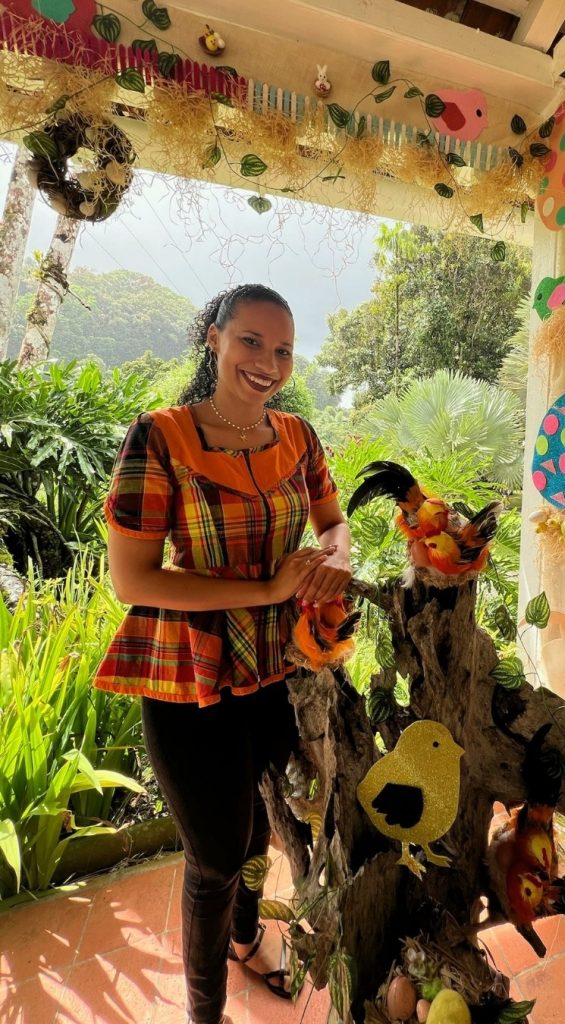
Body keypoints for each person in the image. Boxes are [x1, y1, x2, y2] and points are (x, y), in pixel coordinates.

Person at [93, 284, 352, 1024]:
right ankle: (204, 1012)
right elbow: (132, 580)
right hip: (191, 672)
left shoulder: (297, 437)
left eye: (283, 350)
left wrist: (334, 560)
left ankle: (244, 938)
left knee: (262, 820)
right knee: (213, 855)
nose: (268, 362)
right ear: (214, 339)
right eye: (251, 341)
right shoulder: (161, 436)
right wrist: (268, 587)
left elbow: (333, 523)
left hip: (278, 664)